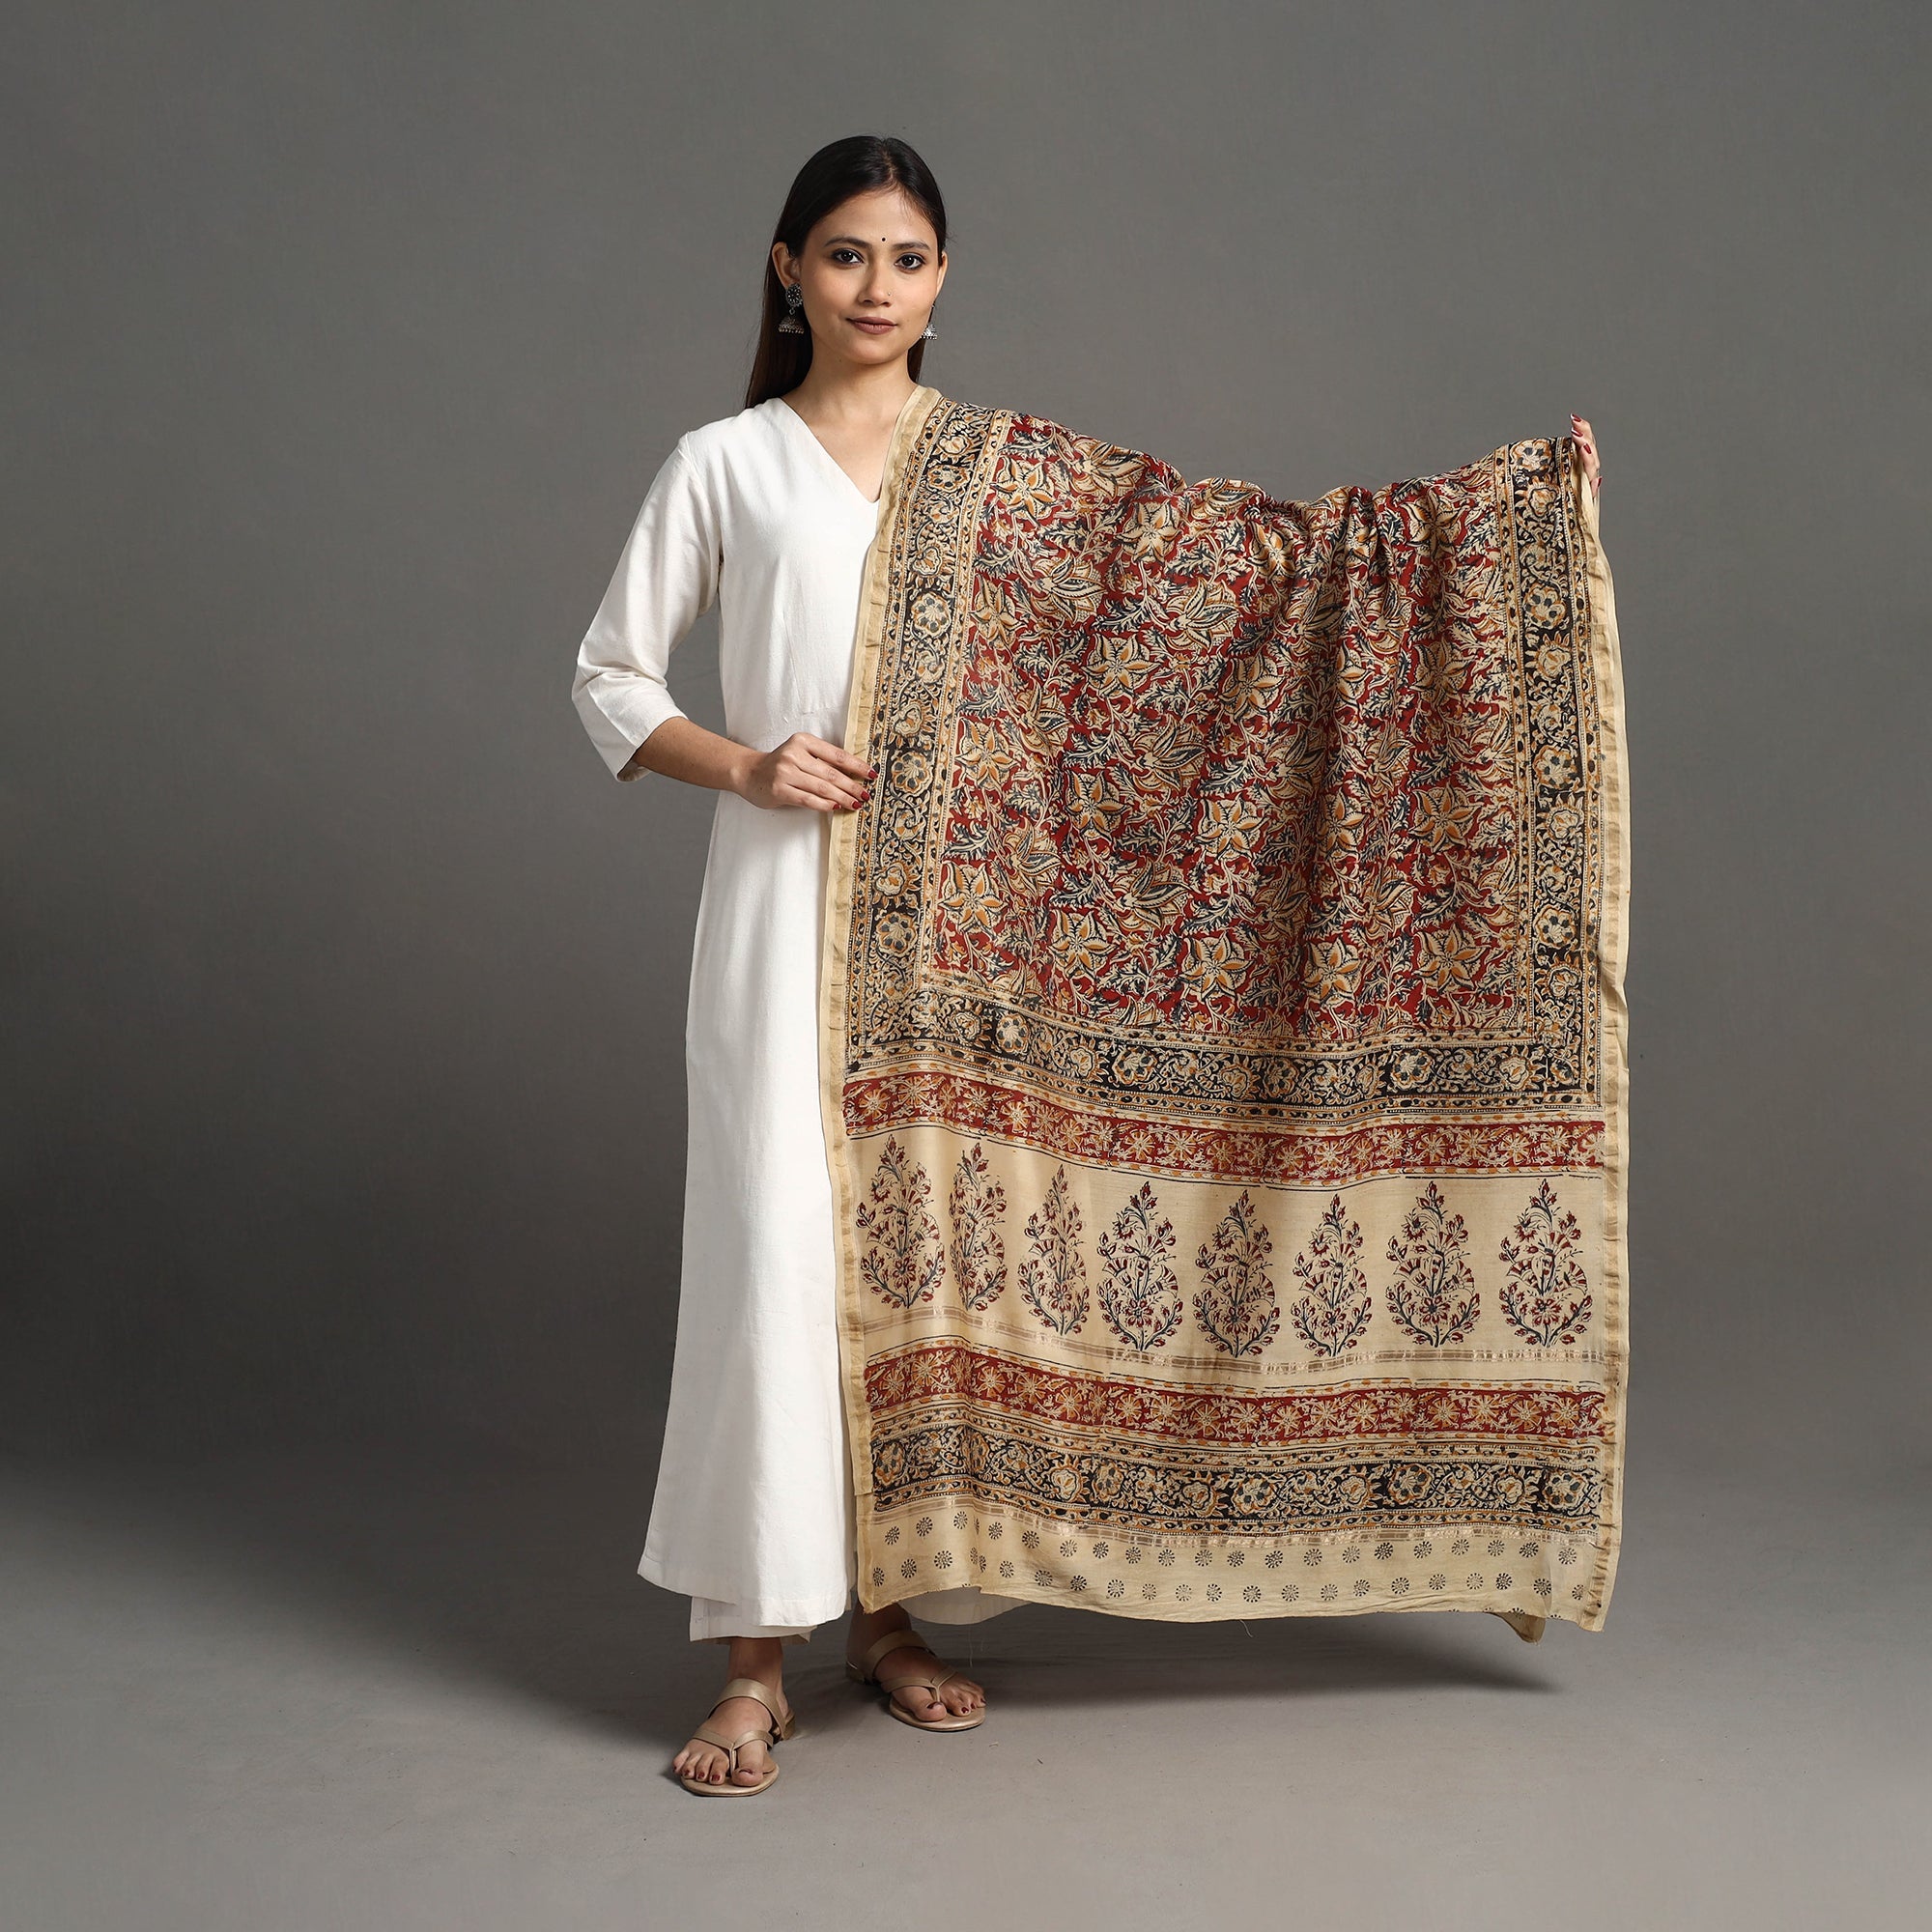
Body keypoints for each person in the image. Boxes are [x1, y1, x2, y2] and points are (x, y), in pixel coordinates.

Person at [572, 134, 1605, 1798]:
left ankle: (888, 1622)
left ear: (944, 281)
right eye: (845, 255)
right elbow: (611, 677)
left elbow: (1238, 572)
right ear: (788, 270)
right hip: (781, 921)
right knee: (775, 1269)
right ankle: (753, 1663)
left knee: (924, 1270)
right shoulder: (725, 464)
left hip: (963, 958)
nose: (877, 288)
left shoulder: (1008, 478)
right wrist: (749, 765)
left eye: (909, 259)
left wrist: (1499, 522)